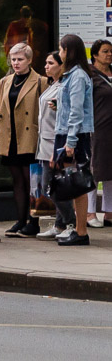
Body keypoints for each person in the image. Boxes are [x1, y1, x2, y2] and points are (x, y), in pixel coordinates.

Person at [0, 42, 48, 236]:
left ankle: (34, 220)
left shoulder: (41, 81)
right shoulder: (5, 82)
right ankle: (20, 219)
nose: (16, 63)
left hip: (29, 136)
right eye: (13, 59)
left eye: (20, 59)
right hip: (9, 137)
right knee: (17, 180)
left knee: (31, 179)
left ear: (30, 60)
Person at [52, 33, 95, 246]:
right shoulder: (71, 75)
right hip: (68, 133)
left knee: (78, 183)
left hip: (74, 135)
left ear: (69, 51)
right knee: (73, 182)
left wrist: (70, 142)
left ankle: (81, 231)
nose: (60, 54)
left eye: (61, 49)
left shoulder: (77, 76)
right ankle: (78, 230)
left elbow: (77, 112)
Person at [36, 50, 75, 240]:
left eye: (50, 63)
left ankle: (70, 222)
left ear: (61, 65)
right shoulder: (53, 85)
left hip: (56, 143)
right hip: (45, 142)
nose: (46, 66)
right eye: (46, 62)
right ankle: (60, 224)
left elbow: (72, 114)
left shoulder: (65, 87)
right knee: (53, 185)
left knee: (51, 186)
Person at [88, 38, 112, 229]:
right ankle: (89, 213)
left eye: (111, 51)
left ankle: (109, 212)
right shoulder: (90, 75)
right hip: (98, 127)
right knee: (94, 168)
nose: (109, 54)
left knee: (111, 170)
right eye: (105, 51)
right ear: (95, 55)